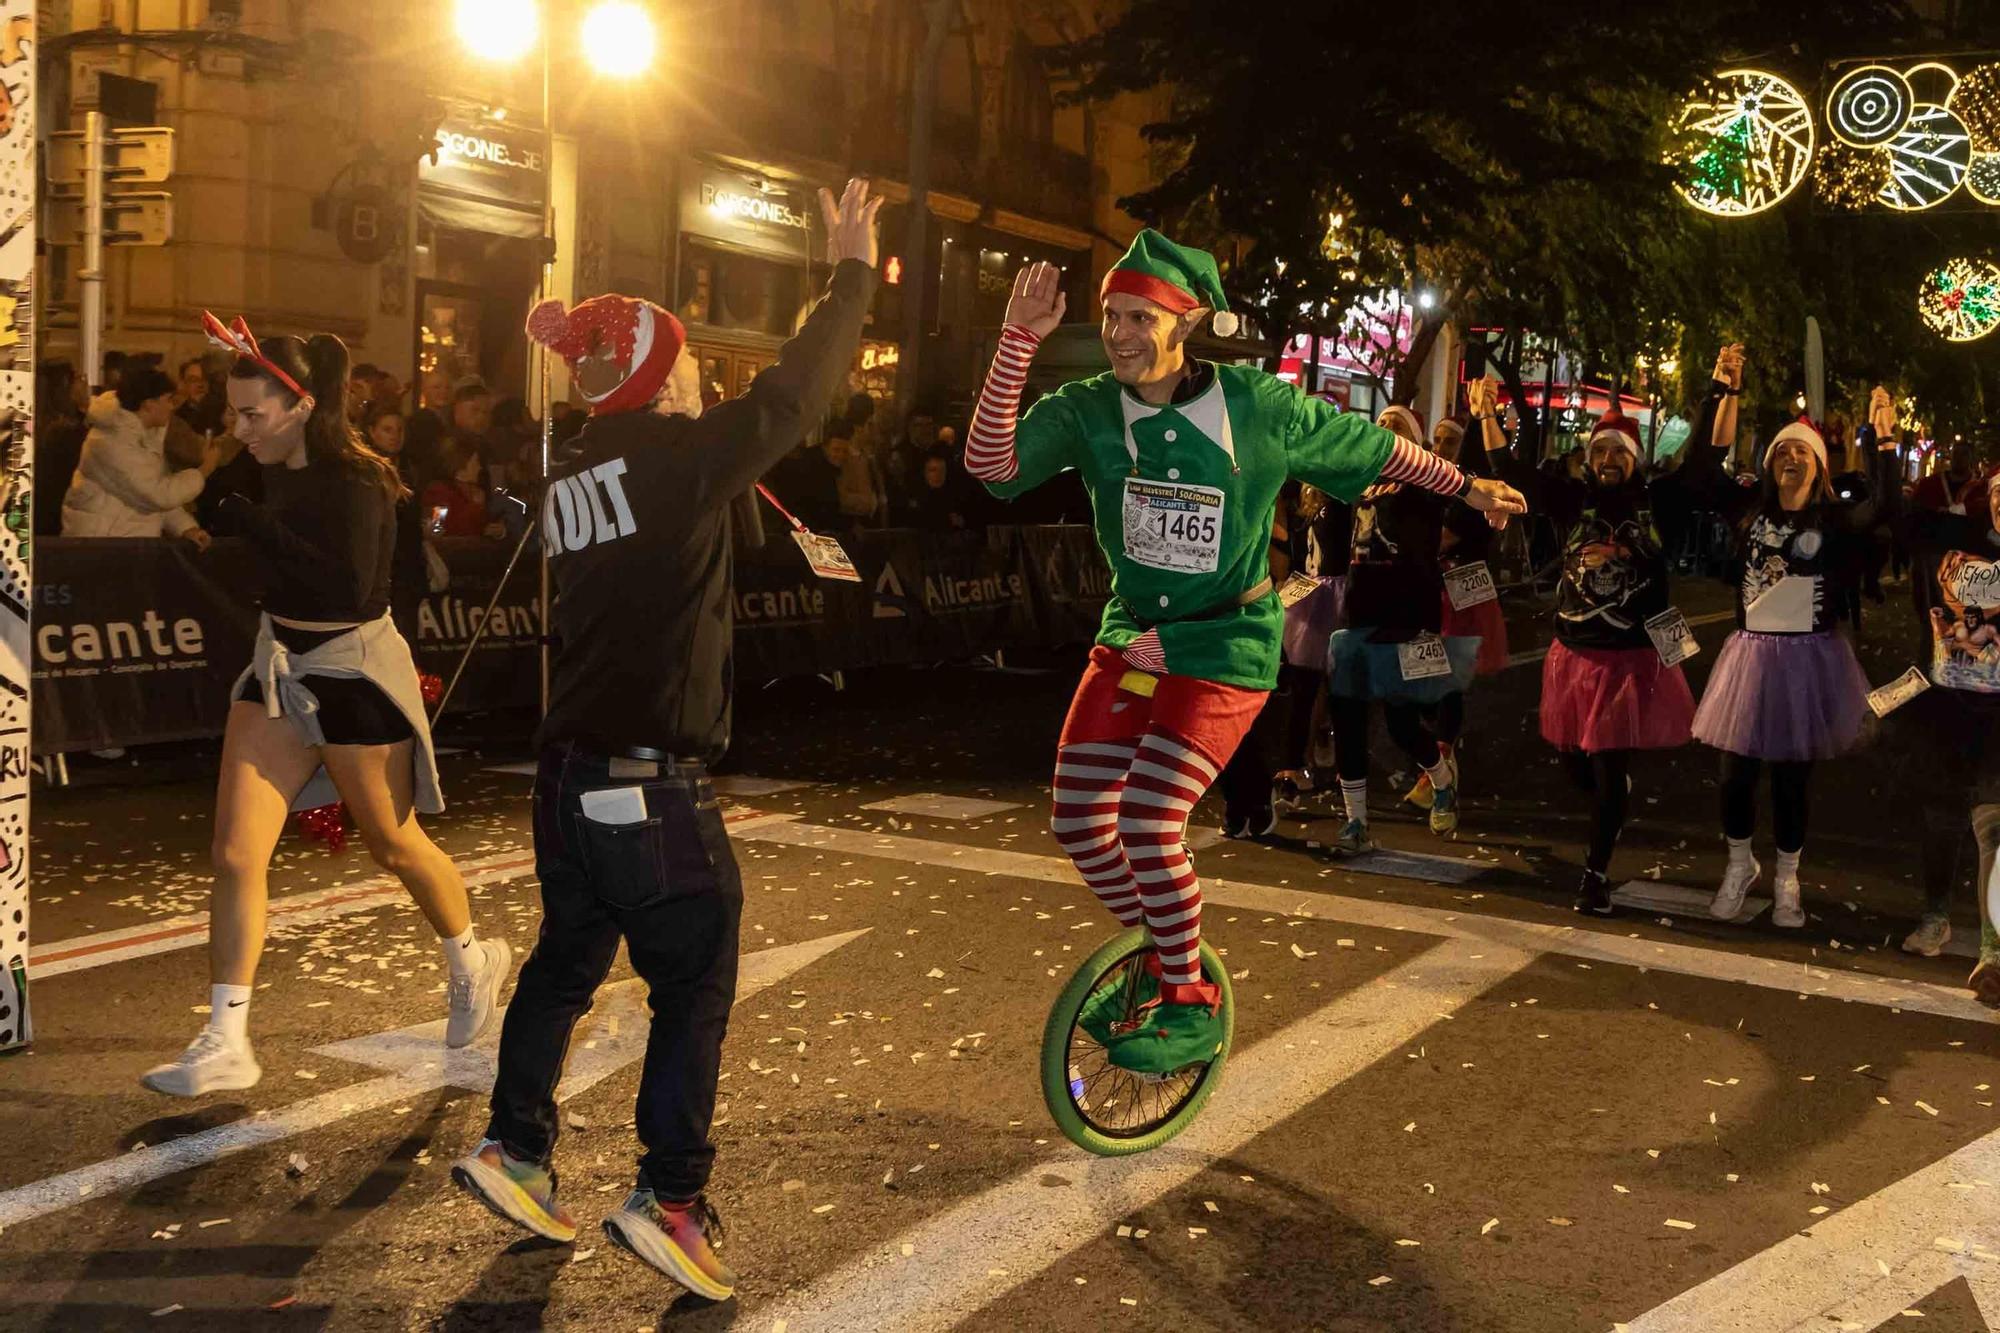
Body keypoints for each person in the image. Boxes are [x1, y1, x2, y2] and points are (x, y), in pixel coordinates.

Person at [450, 179, 881, 1300]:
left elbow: (680, 556)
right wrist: (849, 275)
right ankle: (672, 1198)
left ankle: (517, 1147)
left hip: (562, 776)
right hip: (645, 786)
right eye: (689, 362)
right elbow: (792, 397)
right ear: (662, 377)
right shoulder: (676, 459)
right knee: (693, 978)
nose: (706, 378)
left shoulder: (579, 468)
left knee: (566, 959)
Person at [962, 231, 1523, 1073]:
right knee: (1079, 822)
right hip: (1133, 639)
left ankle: (1189, 1001)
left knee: (1150, 822)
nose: (1117, 331)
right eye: (1111, 314)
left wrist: (1466, 484)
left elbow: (1373, 449)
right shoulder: (1086, 408)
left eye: (1138, 316)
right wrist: (1016, 342)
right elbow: (989, 465)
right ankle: (1160, 955)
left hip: (1225, 643)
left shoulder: (1257, 406)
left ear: (1183, 323)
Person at [140, 316, 507, 1098]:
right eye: (233, 413)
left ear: (302, 406)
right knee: (237, 851)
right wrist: (233, 506)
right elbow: (243, 542)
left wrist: (251, 521)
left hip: (352, 667)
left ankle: (471, 954)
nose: (238, 429)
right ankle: (226, 1035)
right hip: (280, 660)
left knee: (394, 843)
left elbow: (344, 586)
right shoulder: (259, 463)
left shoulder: (362, 479)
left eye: (252, 415)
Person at [1481, 360, 1727, 915]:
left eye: (1619, 451)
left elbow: (1706, 459)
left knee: (1608, 766)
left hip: (1630, 659)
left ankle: (1594, 874)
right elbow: (1513, 474)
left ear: (1635, 458)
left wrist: (1720, 390)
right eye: (1599, 451)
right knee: (1577, 767)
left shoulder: (1660, 499)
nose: (1608, 460)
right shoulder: (1572, 500)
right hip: (1573, 655)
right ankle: (1611, 808)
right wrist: (1487, 415)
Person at [1693, 349, 1875, 928]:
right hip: (1749, 659)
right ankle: (1738, 865)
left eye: (1803, 450)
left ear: (1819, 467)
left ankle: (1788, 877)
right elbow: (1704, 464)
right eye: (1782, 451)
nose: (1791, 457)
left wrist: (1880, 439)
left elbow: (1883, 506)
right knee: (1736, 773)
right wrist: (1724, 392)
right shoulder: (1748, 511)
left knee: (1793, 778)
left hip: (1810, 662)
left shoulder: (1835, 526)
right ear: (1770, 466)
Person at [1324, 404, 1483, 849]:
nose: (1383, 429)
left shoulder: (1428, 485)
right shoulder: (1360, 482)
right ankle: (1356, 821)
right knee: (1349, 722)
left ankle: (1440, 777)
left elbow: (1466, 495)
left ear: (1413, 442)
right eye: (1380, 424)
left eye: (1396, 426)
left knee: (1401, 724)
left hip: (1407, 620)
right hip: (1357, 620)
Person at [1894, 465, 2000, 1000]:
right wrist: (1883, 446)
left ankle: (1993, 950)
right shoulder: (1958, 539)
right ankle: (1936, 915)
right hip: (1948, 705)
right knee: (1941, 819)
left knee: (1993, 829)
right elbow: (1900, 519)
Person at [1405, 403, 1512, 813]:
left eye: (1451, 440)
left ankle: (1439, 764)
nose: (1442, 447)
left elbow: (1443, 538)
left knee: (1446, 680)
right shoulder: (1424, 483)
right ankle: (1439, 760)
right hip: (1427, 589)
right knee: (1422, 681)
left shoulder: (1471, 490)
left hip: (1463, 593)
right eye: (1438, 440)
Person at [60, 365, 221, 545]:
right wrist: (203, 471)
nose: (171, 406)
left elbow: (146, 494)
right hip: (102, 546)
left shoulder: (141, 434)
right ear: (148, 404)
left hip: (121, 541)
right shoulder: (112, 441)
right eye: (167, 400)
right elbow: (156, 494)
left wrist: (185, 527)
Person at [367, 403, 431, 646]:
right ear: (372, 431)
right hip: (379, 569)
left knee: (407, 637)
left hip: (406, 568)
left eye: (399, 430)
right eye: (387, 429)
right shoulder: (366, 471)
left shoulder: (410, 468)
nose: (394, 436)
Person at [421, 438, 504, 539]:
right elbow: (443, 528)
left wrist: (498, 531)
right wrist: (476, 506)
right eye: (475, 462)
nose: (479, 467)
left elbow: (487, 525)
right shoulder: (438, 491)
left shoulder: (477, 491)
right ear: (461, 464)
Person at [1913, 440, 1976, 512]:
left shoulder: (1978, 489)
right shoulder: (1929, 484)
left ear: (1971, 458)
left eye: (1964, 454)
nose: (1959, 457)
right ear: (1950, 456)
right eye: (1955, 453)